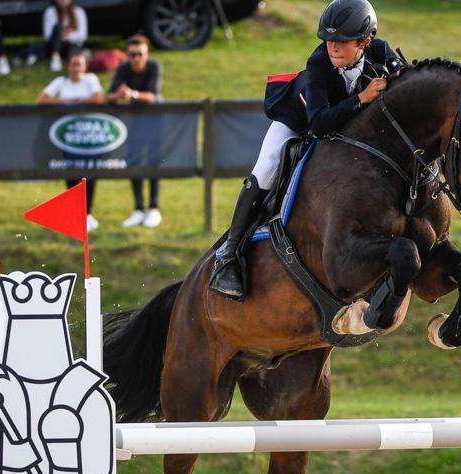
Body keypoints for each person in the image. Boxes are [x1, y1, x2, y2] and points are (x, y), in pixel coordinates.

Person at [209, 0, 402, 299]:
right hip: (299, 123)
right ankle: (230, 254)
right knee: (267, 166)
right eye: (328, 41)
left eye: (341, 41)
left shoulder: (381, 53)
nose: (333, 48)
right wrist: (362, 98)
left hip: (346, 129)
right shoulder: (318, 64)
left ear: (365, 41)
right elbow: (320, 123)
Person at [37, 52, 104, 232]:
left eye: (79, 64)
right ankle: (75, 214)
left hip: (89, 138)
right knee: (71, 175)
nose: (76, 68)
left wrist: (76, 101)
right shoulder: (61, 82)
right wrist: (63, 101)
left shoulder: (90, 79)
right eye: (73, 64)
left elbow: (99, 98)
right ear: (68, 66)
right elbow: (41, 99)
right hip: (68, 137)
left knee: (90, 174)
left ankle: (88, 213)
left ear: (85, 66)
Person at [108, 34, 163, 229]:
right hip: (134, 123)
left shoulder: (154, 66)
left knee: (153, 163)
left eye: (140, 54)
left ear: (146, 54)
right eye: (132, 54)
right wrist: (118, 94)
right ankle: (139, 209)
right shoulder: (123, 68)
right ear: (127, 54)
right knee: (134, 162)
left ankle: (154, 208)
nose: (136, 58)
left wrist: (131, 94)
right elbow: (110, 95)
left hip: (155, 122)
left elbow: (153, 96)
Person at [41, 0, 88, 72]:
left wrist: (67, 36)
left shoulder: (79, 12)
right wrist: (60, 35)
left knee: (73, 47)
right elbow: (47, 35)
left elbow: (83, 35)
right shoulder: (50, 12)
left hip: (71, 45)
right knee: (57, 27)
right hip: (53, 45)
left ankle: (71, 58)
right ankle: (55, 57)